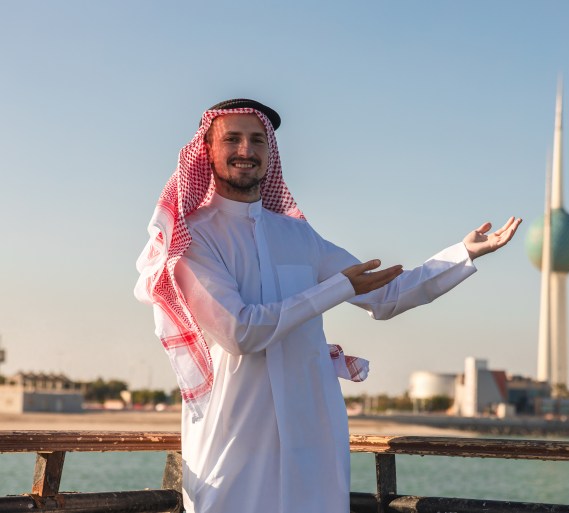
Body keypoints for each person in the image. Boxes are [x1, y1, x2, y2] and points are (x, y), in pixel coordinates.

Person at [135, 98, 522, 513]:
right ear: (207, 150)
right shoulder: (192, 237)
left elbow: (386, 296)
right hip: (235, 441)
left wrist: (462, 254)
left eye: (257, 140)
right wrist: (333, 289)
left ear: (271, 153)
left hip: (312, 438)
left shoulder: (299, 237)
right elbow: (240, 332)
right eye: (232, 139)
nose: (246, 150)